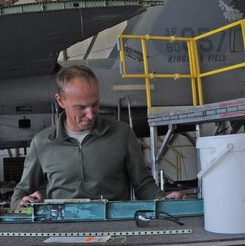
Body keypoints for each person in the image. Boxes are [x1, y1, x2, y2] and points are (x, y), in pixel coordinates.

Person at [11, 65, 183, 207]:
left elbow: (143, 185)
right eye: (81, 107)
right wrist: (21, 202)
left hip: (113, 231)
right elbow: (21, 193)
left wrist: (163, 201)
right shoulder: (42, 143)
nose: (91, 114)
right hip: (62, 233)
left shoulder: (122, 134)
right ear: (60, 101)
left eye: (95, 104)